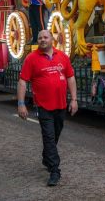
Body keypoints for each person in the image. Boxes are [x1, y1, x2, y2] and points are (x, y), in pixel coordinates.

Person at [17, 30, 78, 187]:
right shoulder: (31, 59)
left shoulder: (62, 57)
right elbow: (23, 81)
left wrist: (74, 100)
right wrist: (21, 103)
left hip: (61, 105)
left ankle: (46, 157)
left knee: (55, 134)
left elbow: (71, 77)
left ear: (52, 39)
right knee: (49, 137)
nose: (42, 40)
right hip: (43, 106)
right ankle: (54, 170)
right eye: (40, 38)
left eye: (45, 37)